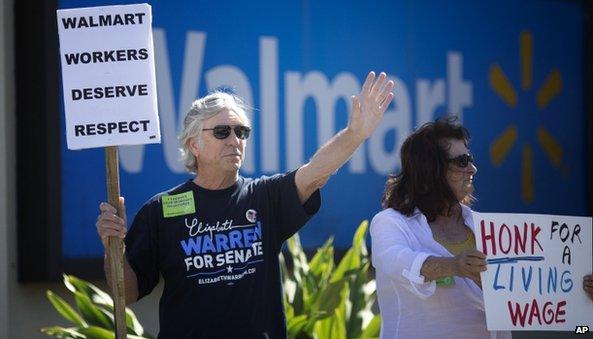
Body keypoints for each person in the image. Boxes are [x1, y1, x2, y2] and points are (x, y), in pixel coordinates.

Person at [96, 71, 394, 338]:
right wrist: (115, 248)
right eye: (222, 132)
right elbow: (128, 293)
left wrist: (356, 134)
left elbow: (315, 173)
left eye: (242, 132)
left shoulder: (264, 196)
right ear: (193, 145)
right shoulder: (161, 210)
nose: (235, 140)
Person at [370, 117, 511, 339]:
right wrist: (455, 266)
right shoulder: (389, 223)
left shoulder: (486, 227)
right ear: (431, 170)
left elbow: (525, 292)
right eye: (462, 161)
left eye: (470, 158)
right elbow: (400, 262)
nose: (473, 168)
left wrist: (579, 295)